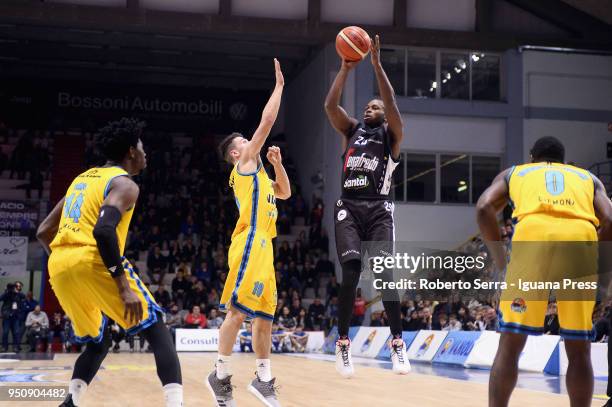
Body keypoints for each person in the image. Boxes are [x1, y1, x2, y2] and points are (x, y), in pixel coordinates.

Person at [36, 118, 183, 407]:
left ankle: (71, 402)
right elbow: (103, 231)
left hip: (60, 264)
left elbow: (43, 231)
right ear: (131, 151)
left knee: (98, 341)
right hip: (93, 258)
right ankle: (175, 403)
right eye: (142, 147)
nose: (145, 153)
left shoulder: (81, 179)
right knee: (156, 326)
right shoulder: (124, 184)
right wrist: (123, 285)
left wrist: (67, 264)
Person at [476, 136, 612, 407]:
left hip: (533, 237)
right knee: (579, 347)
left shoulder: (516, 172)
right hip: (579, 238)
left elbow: (484, 207)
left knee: (511, 343)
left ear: (531, 158)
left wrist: (501, 260)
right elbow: (609, 218)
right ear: (563, 160)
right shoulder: (587, 178)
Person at [324, 34, 410, 377]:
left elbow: (392, 105)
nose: (368, 109)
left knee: (386, 275)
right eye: (367, 107)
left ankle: (397, 343)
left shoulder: (391, 136)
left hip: (378, 208)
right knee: (350, 274)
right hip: (349, 206)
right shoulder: (352, 131)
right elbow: (331, 107)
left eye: (374, 107)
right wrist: (345, 70)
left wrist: (376, 66)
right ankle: (343, 344)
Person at [207, 59, 288, 407]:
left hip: (265, 246)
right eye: (245, 141)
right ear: (236, 153)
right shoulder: (243, 165)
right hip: (250, 240)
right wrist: (279, 88)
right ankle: (220, 374)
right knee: (238, 313)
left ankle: (263, 379)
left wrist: (278, 165)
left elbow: (284, 193)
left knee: (265, 318)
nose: (250, 141)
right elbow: (267, 122)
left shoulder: (261, 175)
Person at [0, 282, 26, 352]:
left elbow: (24, 296)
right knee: (5, 332)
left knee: (16, 332)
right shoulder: (7, 294)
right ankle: (4, 347)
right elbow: (0, 298)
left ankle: (15, 347)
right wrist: (6, 291)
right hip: (7, 317)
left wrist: (16, 291)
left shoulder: (18, 294)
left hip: (16, 317)